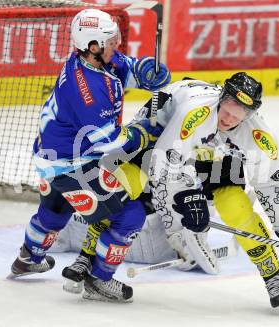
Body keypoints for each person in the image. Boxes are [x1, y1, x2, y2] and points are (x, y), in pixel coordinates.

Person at [9, 8, 170, 304]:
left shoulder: (92, 60)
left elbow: (123, 67)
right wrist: (143, 134)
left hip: (50, 157)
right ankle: (99, 281)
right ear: (93, 46)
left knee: (55, 211)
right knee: (130, 215)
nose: (116, 46)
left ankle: (28, 258)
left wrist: (145, 70)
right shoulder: (87, 91)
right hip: (73, 166)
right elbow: (107, 142)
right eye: (111, 42)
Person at [146, 73, 279, 311]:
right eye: (226, 110)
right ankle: (174, 238)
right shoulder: (194, 114)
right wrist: (186, 198)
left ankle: (271, 273)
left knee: (236, 208)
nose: (228, 119)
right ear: (221, 97)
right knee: (139, 186)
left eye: (237, 115)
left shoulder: (257, 134)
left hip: (215, 154)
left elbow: (273, 183)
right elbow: (163, 165)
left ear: (250, 115)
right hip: (163, 130)